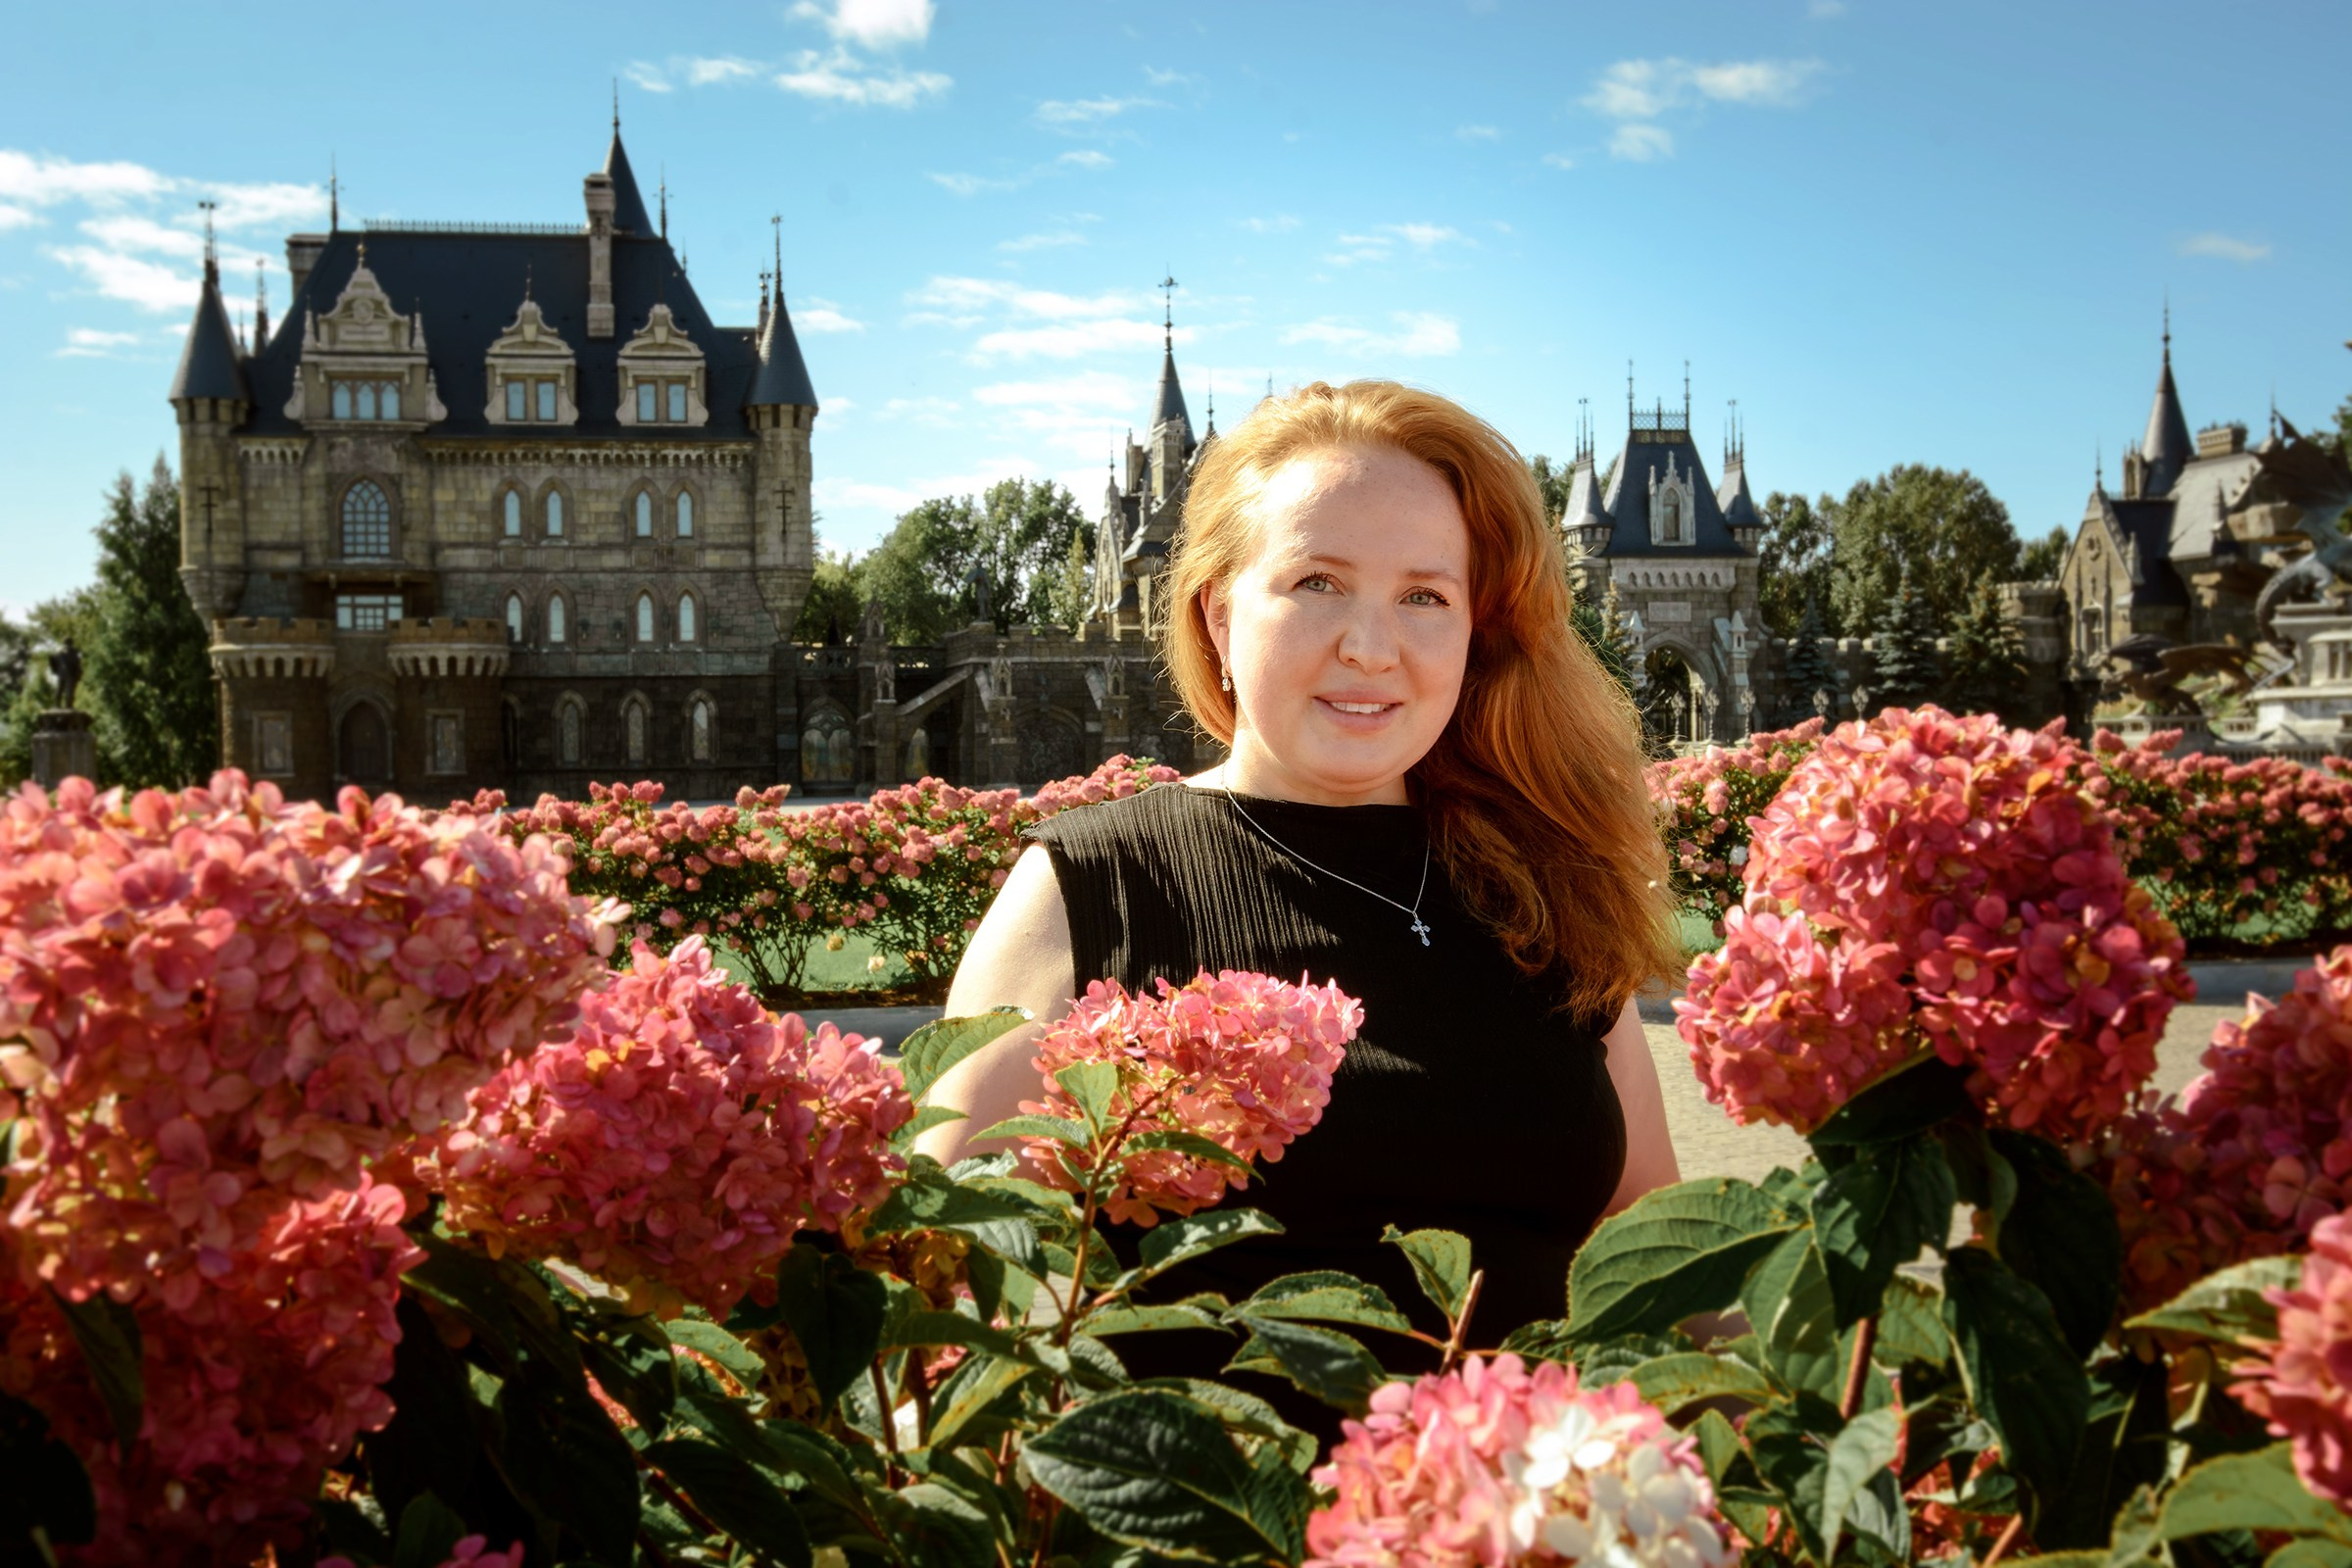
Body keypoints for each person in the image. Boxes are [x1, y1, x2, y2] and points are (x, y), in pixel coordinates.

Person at [924, 379, 1683, 1425]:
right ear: (1219, 612)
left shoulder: (1547, 887)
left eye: (1425, 595)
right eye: (1319, 581)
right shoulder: (1089, 887)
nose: (1372, 645)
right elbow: (936, 1264)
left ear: (1476, 630)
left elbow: (1657, 1243)